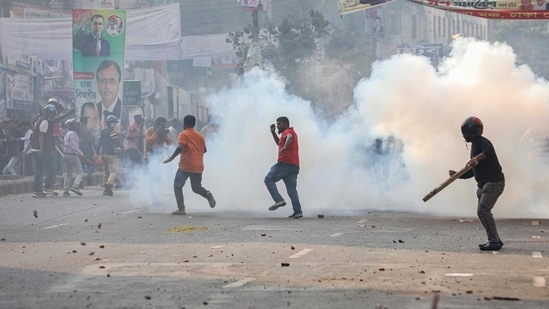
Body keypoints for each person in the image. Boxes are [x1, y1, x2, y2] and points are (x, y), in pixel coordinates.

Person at [449, 116, 505, 251]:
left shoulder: (483, 142)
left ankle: (494, 242)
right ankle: (495, 239)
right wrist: (458, 175)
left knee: (483, 210)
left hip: (493, 183)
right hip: (484, 185)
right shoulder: (475, 146)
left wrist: (476, 158)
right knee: (482, 212)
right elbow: (473, 171)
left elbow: (489, 152)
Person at [163, 115, 216, 215]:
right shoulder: (200, 136)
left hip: (186, 165)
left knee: (177, 185)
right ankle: (207, 193)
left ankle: (181, 209)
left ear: (184, 124)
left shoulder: (183, 134)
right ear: (194, 124)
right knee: (196, 187)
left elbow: (180, 147)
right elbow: (204, 150)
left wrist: (171, 157)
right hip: (198, 165)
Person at [265, 116, 303, 219]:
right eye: (277, 124)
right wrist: (273, 132)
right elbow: (279, 143)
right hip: (294, 166)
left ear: (285, 124)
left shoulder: (288, 131)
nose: (278, 126)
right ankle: (298, 211)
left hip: (285, 164)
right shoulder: (285, 134)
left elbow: (289, 137)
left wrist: (285, 148)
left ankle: (278, 200)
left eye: (279, 124)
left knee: (268, 179)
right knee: (291, 189)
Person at [30, 104, 57, 198]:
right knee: (51, 168)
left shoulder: (39, 119)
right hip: (41, 149)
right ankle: (47, 186)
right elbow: (41, 135)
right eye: (50, 113)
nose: (51, 115)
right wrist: (41, 148)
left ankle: (37, 190)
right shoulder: (45, 121)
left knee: (38, 170)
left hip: (34, 148)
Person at [96, 115, 122, 196]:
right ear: (110, 123)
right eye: (113, 122)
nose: (115, 124)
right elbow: (116, 142)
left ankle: (105, 190)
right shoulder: (112, 131)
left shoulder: (103, 131)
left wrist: (97, 152)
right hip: (111, 154)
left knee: (106, 172)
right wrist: (122, 147)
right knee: (113, 171)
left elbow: (99, 143)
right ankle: (109, 183)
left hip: (103, 154)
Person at [62, 119, 85, 197]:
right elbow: (73, 146)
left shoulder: (68, 133)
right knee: (80, 172)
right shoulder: (73, 134)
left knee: (68, 173)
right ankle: (75, 186)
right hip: (72, 155)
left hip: (65, 154)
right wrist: (81, 154)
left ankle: (66, 190)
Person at [78, 116, 96, 183]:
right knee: (92, 164)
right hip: (87, 149)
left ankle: (80, 182)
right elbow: (89, 140)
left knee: (81, 167)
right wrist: (94, 145)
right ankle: (89, 175)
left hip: (79, 150)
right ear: (86, 121)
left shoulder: (78, 129)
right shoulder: (87, 130)